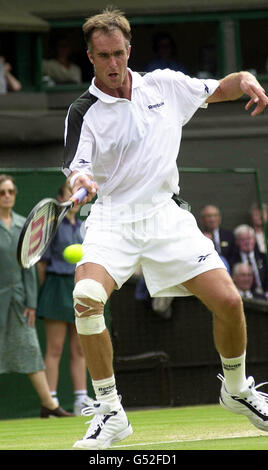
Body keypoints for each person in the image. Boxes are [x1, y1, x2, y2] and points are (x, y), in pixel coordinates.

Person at [62, 7, 268, 450]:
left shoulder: (165, 85)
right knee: (86, 299)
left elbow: (221, 88)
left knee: (230, 301)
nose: (113, 63)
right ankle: (111, 413)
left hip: (165, 216)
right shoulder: (83, 112)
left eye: (119, 53)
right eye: (103, 56)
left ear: (129, 50)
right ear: (90, 57)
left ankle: (236, 390)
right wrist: (81, 182)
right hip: (112, 220)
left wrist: (246, 78)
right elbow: (76, 171)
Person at [0, 174, 70, 418]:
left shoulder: (23, 225)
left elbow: (28, 267)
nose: (7, 196)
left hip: (19, 302)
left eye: (10, 191)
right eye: (2, 192)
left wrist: (30, 302)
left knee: (31, 351)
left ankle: (49, 405)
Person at [36, 183, 90, 415]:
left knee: (79, 348)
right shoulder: (51, 226)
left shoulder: (83, 228)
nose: (75, 198)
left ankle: (81, 400)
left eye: (78, 194)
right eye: (70, 193)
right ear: (61, 198)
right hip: (56, 286)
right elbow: (42, 263)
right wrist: (46, 289)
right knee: (55, 348)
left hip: (78, 284)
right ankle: (51, 402)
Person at [231, 224, 268, 297]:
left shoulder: (264, 258)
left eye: (250, 238)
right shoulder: (232, 260)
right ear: (237, 242)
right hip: (245, 296)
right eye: (243, 239)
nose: (247, 242)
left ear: (254, 240)